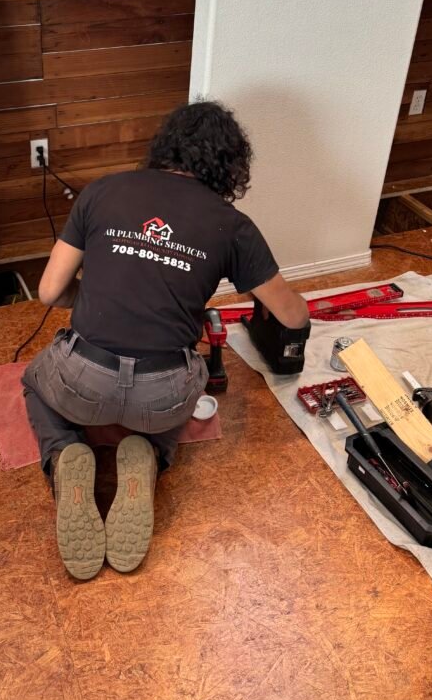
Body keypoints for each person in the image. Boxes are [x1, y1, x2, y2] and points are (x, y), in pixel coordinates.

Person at [22, 100, 309, 580]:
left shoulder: (102, 191)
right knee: (184, 388)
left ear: (166, 145)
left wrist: (95, 294)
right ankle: (152, 453)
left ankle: (63, 454)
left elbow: (50, 292)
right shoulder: (232, 225)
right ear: (229, 165)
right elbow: (292, 316)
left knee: (35, 382)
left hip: (82, 383)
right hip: (162, 394)